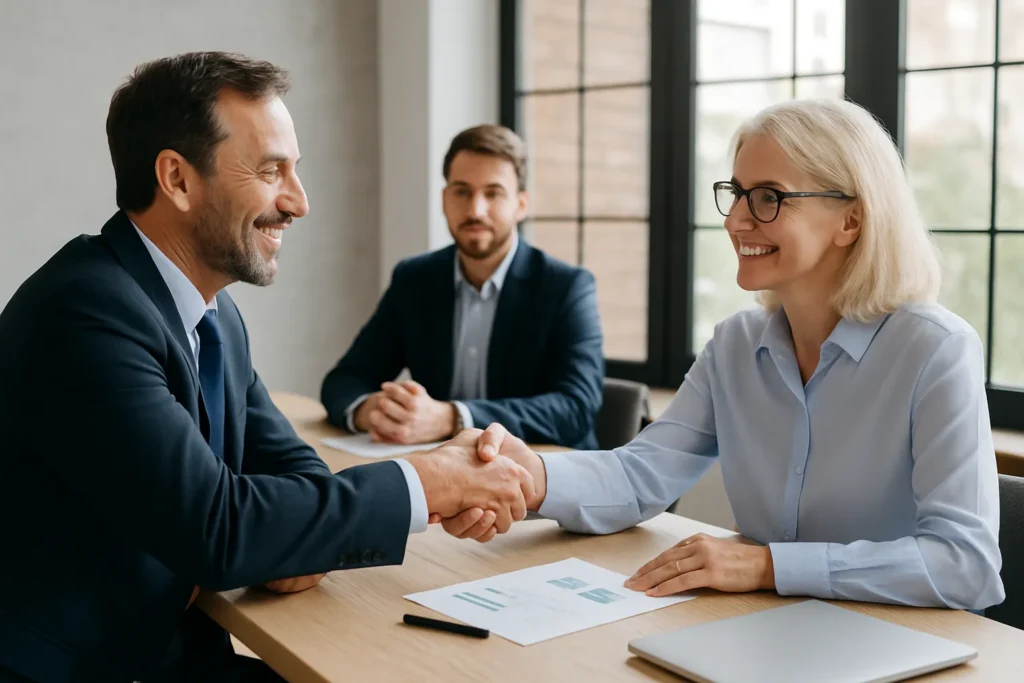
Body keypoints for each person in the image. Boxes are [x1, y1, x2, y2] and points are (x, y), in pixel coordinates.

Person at [0, 52, 534, 683]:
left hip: (163, 646)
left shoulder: (215, 316)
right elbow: (221, 529)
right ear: (177, 178)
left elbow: (291, 467)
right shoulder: (87, 311)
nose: (299, 202)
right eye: (270, 170)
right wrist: (430, 482)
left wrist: (288, 537)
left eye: (295, 171)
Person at [444, 98, 1006, 611]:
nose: (736, 220)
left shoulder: (937, 350)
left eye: (768, 198)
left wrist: (767, 566)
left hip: (902, 644)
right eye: (736, 194)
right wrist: (532, 475)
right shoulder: (736, 345)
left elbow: (964, 565)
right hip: (768, 630)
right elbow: (641, 475)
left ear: (851, 219)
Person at [320, 124, 605, 450]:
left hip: (543, 478)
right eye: (462, 191)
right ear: (444, 199)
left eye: (493, 193)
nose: (475, 210)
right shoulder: (414, 279)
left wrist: (453, 418)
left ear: (521, 205)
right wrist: (371, 411)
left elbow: (576, 409)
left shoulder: (567, 287)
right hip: (447, 474)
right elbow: (345, 379)